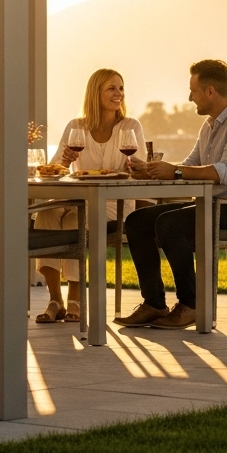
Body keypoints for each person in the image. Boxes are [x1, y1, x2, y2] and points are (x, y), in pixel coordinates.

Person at [116, 59, 227, 330]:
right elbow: (189, 166)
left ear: (210, 91)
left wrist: (174, 171)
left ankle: (192, 305)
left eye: (193, 91)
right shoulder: (209, 126)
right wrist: (151, 171)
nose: (189, 97)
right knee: (137, 221)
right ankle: (154, 304)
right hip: (212, 206)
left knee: (169, 224)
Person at [34, 68, 145, 324]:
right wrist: (64, 160)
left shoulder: (130, 126)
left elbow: (141, 167)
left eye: (121, 88)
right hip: (78, 197)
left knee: (77, 217)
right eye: (112, 88)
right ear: (95, 93)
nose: (119, 94)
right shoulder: (76, 127)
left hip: (113, 203)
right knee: (46, 212)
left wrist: (134, 166)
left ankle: (74, 298)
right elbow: (54, 171)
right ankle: (55, 300)